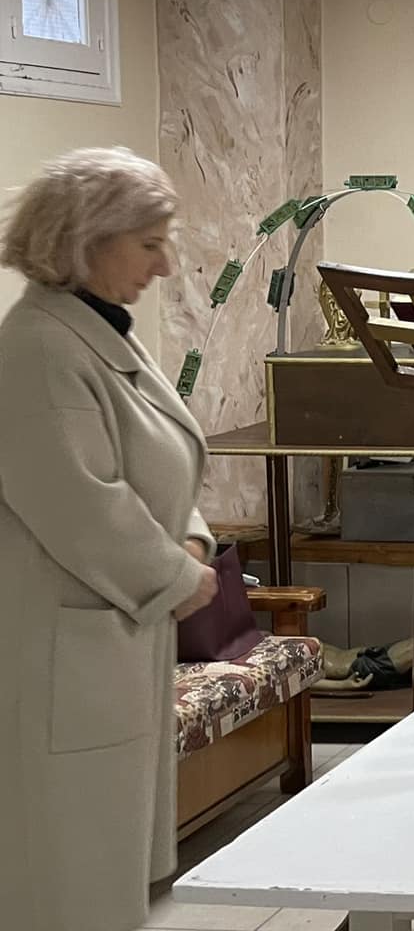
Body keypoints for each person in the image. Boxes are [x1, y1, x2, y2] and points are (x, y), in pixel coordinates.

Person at [0, 147, 225, 931]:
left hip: (116, 638)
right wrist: (178, 575)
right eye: (150, 244)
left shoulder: (99, 331)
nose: (165, 266)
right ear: (85, 241)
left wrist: (191, 544)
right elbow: (80, 502)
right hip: (65, 652)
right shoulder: (36, 349)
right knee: (67, 878)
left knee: (105, 867)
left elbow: (161, 463)